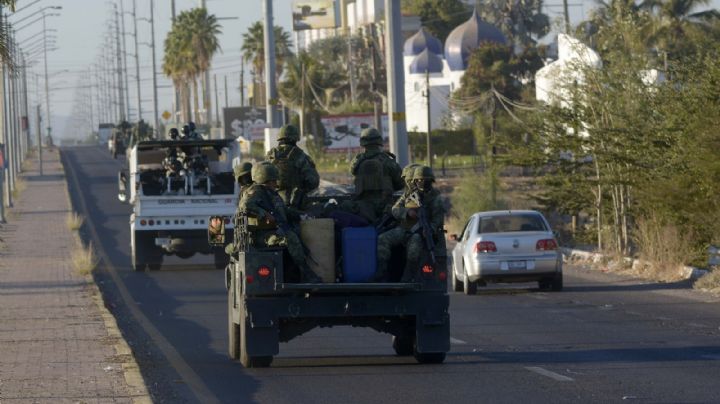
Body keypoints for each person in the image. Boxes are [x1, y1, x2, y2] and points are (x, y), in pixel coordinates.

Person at [233, 161, 321, 283]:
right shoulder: (256, 191)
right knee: (290, 238)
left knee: (297, 234)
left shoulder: (273, 194)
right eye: (273, 181)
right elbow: (245, 206)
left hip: (275, 231)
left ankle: (295, 274)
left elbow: (285, 211)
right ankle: (307, 274)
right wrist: (264, 214)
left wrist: (303, 215)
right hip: (261, 236)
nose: (276, 183)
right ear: (265, 180)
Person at [375, 166, 446, 282]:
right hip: (404, 229)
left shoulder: (435, 198)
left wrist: (430, 229)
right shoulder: (409, 195)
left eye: (425, 180)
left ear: (431, 181)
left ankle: (407, 277)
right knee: (382, 239)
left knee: (415, 245)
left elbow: (438, 220)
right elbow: (395, 209)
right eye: (419, 180)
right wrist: (407, 213)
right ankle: (381, 272)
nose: (422, 182)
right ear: (415, 181)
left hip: (421, 232)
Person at [342, 127, 403, 223]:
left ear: (362, 142)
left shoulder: (357, 161)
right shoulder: (387, 161)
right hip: (385, 207)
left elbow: (352, 173)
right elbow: (400, 183)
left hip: (362, 208)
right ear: (379, 141)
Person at [266, 124, 319, 209]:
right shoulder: (301, 156)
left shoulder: (270, 156)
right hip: (296, 203)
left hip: (272, 203)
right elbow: (313, 181)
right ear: (295, 139)